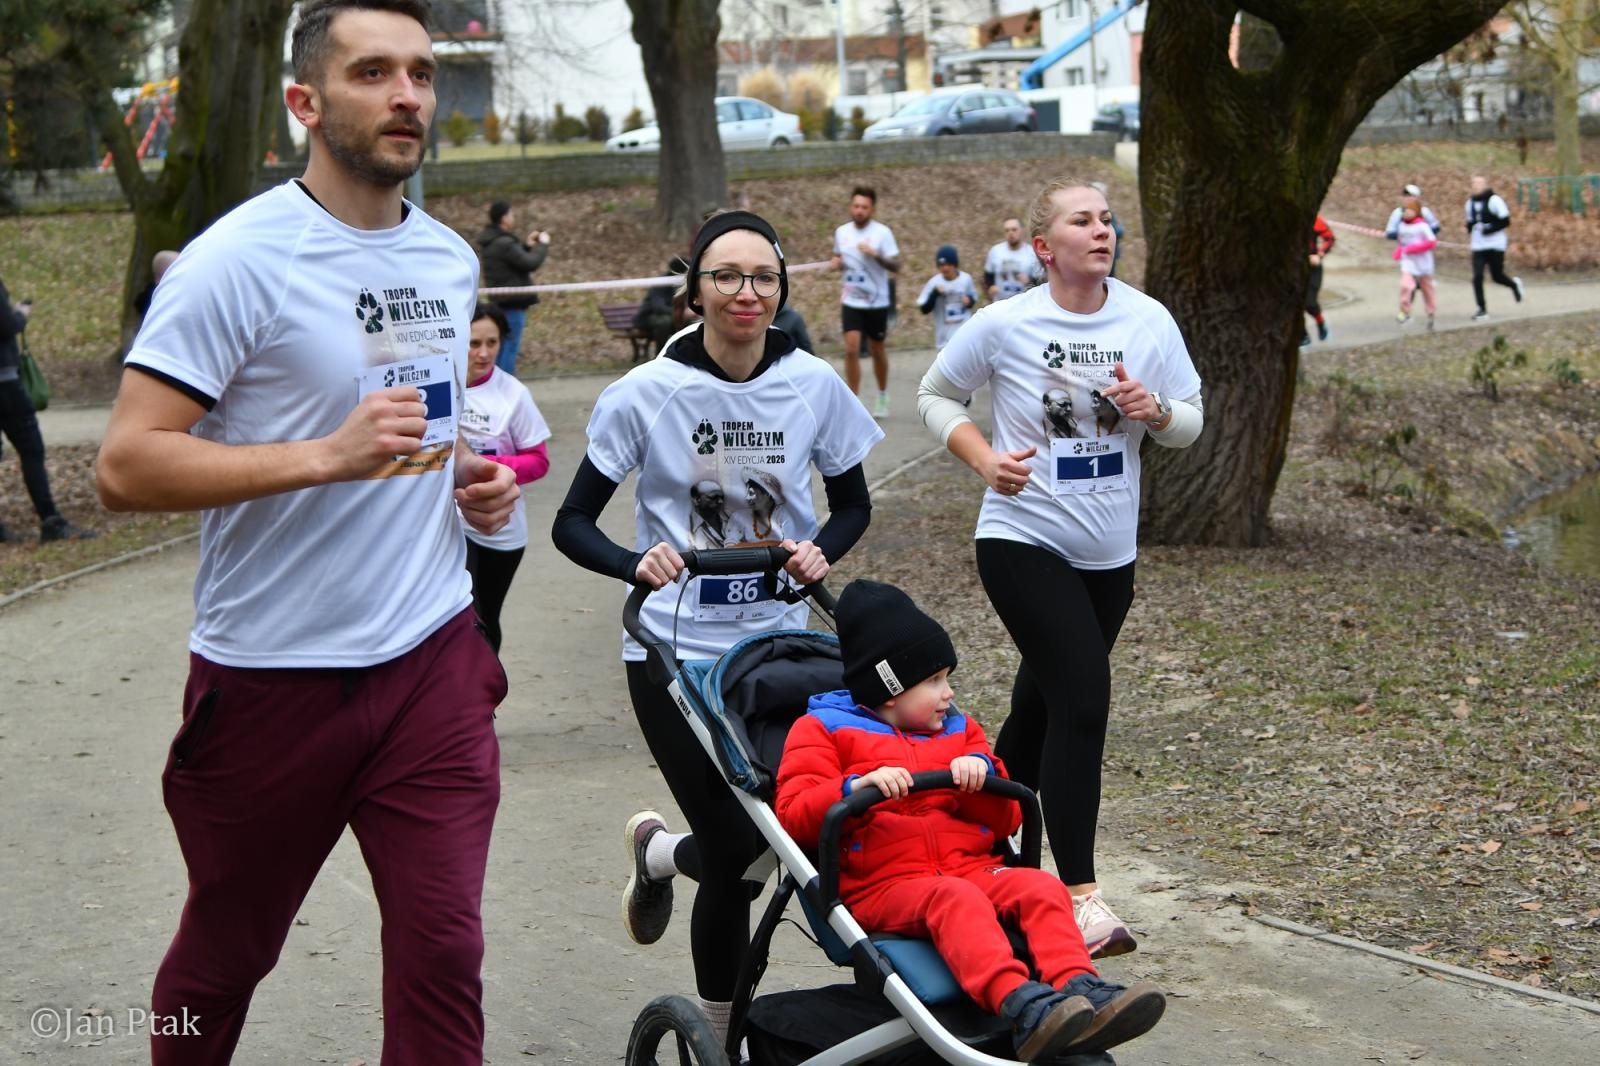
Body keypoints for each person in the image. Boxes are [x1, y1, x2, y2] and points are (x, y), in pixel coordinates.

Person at [93, 3, 520, 1061]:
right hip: (271, 679)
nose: (408, 95)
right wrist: (323, 456)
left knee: (442, 953)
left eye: (420, 72)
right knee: (227, 955)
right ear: (304, 102)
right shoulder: (233, 262)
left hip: (429, 659)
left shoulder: (446, 261)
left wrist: (463, 477)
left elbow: (404, 432)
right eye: (373, 71)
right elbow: (125, 463)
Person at [551, 209, 883, 1044]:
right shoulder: (647, 392)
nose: (746, 293)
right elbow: (573, 523)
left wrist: (818, 553)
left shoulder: (812, 382)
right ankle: (719, 1036)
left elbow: (853, 505)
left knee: (793, 831)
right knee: (737, 854)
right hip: (672, 653)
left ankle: (661, 856)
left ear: (782, 288)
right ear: (694, 288)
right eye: (726, 276)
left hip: (778, 649)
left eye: (764, 277)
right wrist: (636, 564)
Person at [915, 178, 1204, 959]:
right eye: (1083, 221)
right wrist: (982, 458)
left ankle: (985, 856)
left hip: (1109, 555)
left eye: (1108, 219)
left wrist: (1158, 413)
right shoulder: (1006, 323)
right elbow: (936, 393)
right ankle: (1079, 896)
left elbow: (1191, 421)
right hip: (1021, 537)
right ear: (1044, 247)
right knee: (1082, 697)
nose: (1102, 230)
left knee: (1039, 710)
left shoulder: (1148, 320)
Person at [776, 579, 1167, 1061]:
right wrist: (853, 789)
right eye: (935, 680)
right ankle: (1020, 1005)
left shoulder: (960, 732)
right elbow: (794, 815)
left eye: (947, 677)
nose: (949, 693)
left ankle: (1079, 989)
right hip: (883, 885)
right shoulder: (823, 731)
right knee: (953, 897)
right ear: (891, 688)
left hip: (970, 868)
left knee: (1039, 887)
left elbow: (1005, 820)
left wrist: (980, 782)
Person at [461, 302, 551, 653]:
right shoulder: (437, 385)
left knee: (486, 618)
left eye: (492, 343)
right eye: (473, 343)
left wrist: (490, 465)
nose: (484, 353)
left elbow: (538, 461)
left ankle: (487, 697)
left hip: (501, 530)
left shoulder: (512, 394)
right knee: (466, 613)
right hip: (452, 522)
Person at [0, 281, 96, 543]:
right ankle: (50, 520)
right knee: (31, 449)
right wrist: (20, 314)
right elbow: (6, 325)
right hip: (5, 384)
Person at [830, 186, 900, 418]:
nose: (859, 211)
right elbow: (840, 257)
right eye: (856, 206)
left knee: (876, 349)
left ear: (872, 209)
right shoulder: (842, 232)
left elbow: (896, 266)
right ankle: (854, 400)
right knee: (851, 349)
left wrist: (875, 254)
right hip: (851, 299)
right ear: (851, 206)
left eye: (864, 207)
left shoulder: (882, 233)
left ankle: (882, 394)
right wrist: (836, 262)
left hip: (876, 301)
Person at [477, 198, 550, 373]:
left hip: (501, 302)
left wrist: (526, 246)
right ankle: (504, 388)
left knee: (502, 348)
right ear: (503, 218)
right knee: (509, 348)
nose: (513, 217)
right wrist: (543, 245)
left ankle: (497, 386)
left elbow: (512, 262)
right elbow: (530, 263)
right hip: (512, 304)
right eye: (511, 214)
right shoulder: (504, 243)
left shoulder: (495, 242)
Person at [1465, 174, 1523, 321]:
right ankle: (1482, 309)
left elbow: (1505, 221)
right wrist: (1471, 228)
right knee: (1477, 277)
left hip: (1496, 244)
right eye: (1474, 183)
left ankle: (1514, 285)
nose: (1476, 186)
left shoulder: (1495, 201)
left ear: (1485, 185)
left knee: (1497, 276)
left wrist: (1489, 229)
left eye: (1479, 183)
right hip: (1478, 246)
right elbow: (1470, 222)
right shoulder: (1469, 204)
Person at [916, 245, 979, 349]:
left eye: (948, 264)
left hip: (964, 333)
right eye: (941, 265)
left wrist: (969, 300)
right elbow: (924, 309)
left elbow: (973, 298)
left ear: (955, 265)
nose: (945, 268)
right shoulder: (934, 283)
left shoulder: (966, 279)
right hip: (944, 338)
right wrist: (935, 294)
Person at [1393, 197, 1439, 330]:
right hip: (1408, 262)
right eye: (1404, 210)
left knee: (1427, 289)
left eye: (1409, 210)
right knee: (1405, 286)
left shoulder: (1422, 226)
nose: (1406, 213)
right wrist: (1399, 251)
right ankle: (1405, 311)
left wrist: (1413, 248)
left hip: (1423, 262)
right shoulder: (1401, 225)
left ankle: (1431, 313)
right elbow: (1402, 242)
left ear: (1416, 211)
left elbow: (1431, 242)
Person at [634, 256, 687, 358]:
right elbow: (658, 307)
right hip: (649, 317)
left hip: (672, 317)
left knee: (691, 322)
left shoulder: (684, 283)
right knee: (664, 322)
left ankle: (686, 353)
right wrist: (680, 313)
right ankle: (661, 355)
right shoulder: (661, 282)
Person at [984, 216, 1045, 302]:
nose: (1010, 233)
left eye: (1014, 229)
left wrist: (1029, 281)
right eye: (1007, 230)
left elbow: (1040, 282)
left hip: (1024, 304)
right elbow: (988, 274)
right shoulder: (995, 251)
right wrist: (990, 286)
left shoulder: (1032, 253)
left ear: (1022, 230)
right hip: (1000, 304)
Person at [1303, 214, 1335, 347]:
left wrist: (1319, 254)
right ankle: (1302, 336)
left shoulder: (1314, 219)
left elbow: (1330, 238)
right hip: (1291, 267)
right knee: (1292, 304)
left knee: (1309, 303)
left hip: (1312, 267)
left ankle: (1321, 323)